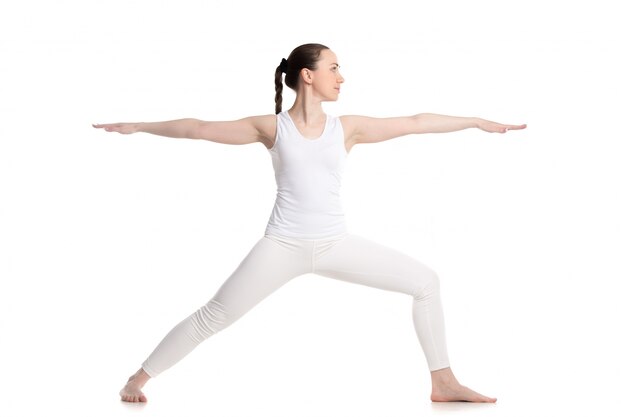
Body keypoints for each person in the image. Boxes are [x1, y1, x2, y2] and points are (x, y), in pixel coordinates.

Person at [94, 43, 526, 404]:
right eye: (334, 68)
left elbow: (416, 123)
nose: (341, 77)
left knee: (426, 282)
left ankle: (443, 382)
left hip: (335, 244)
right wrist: (139, 127)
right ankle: (138, 377)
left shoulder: (348, 128)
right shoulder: (273, 127)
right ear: (307, 75)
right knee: (214, 316)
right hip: (282, 245)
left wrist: (475, 122)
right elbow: (199, 129)